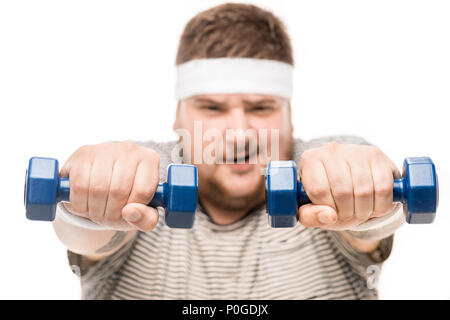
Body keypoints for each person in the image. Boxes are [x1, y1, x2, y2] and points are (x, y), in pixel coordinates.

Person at [53, 3, 404, 299]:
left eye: (261, 107)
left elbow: (371, 227)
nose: (239, 135)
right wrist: (86, 200)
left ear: (290, 118)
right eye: (212, 108)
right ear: (178, 117)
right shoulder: (142, 178)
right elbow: (87, 235)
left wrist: (370, 194)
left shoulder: (325, 182)